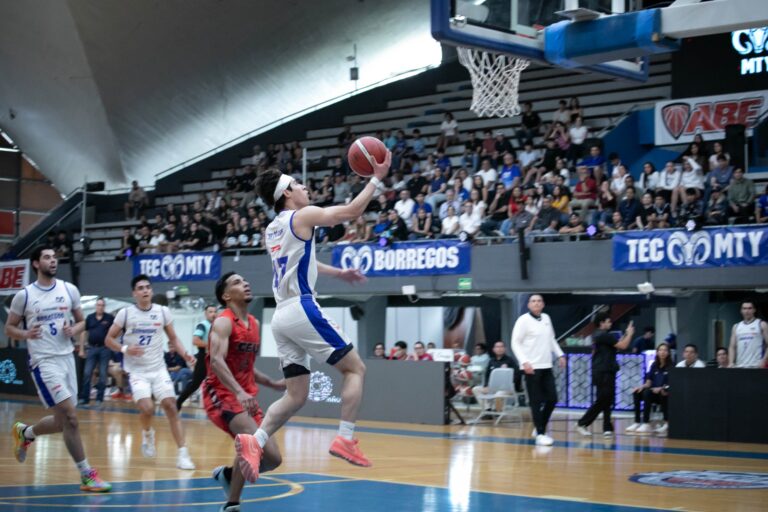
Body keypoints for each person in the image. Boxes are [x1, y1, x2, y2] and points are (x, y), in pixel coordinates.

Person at [238, 153, 391, 484]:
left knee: (296, 395)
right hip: (302, 307)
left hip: (280, 317)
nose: (304, 186)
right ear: (288, 194)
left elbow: (303, 261)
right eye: (297, 184)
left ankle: (256, 442)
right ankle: (346, 438)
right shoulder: (303, 215)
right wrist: (376, 178)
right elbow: (350, 213)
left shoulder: (272, 229)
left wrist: (339, 273)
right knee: (355, 368)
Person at [5, 246, 111, 492]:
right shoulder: (25, 296)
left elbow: (82, 320)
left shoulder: (69, 289)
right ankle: (87, 474)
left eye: (54, 257)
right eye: (47, 257)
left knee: (63, 421)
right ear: (35, 263)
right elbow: (9, 328)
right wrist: (25, 333)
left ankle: (26, 433)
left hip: (66, 359)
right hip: (43, 361)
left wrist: (74, 329)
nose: (52, 261)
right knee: (71, 418)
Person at [205, 272, 286, 512]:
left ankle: (229, 474)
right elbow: (217, 362)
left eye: (245, 280)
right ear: (226, 295)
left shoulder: (254, 324)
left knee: (273, 459)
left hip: (244, 396)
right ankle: (232, 504)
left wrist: (271, 382)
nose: (246, 283)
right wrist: (240, 392)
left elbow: (246, 366)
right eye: (238, 282)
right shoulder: (223, 321)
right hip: (221, 394)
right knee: (251, 444)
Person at [104, 274, 197, 470]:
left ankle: (183, 454)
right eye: (140, 288)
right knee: (147, 409)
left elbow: (174, 338)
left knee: (171, 406)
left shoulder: (162, 312)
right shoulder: (125, 314)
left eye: (148, 287)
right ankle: (147, 434)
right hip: (137, 371)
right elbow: (109, 339)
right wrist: (124, 349)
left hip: (158, 369)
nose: (145, 290)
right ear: (134, 293)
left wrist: (187, 355)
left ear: (151, 291)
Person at [511, 294, 565, 446]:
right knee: (536, 401)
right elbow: (515, 343)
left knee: (552, 399)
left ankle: (539, 426)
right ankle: (540, 433)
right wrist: (524, 362)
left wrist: (560, 354)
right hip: (531, 367)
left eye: (539, 301)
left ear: (543, 304)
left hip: (546, 365)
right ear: (528, 305)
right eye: (533, 301)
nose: (536, 303)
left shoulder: (546, 318)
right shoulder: (523, 320)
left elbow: (551, 339)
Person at [576, 315, 634, 437]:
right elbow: (623, 346)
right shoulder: (603, 335)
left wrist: (625, 335)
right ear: (602, 323)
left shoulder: (600, 335)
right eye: (608, 321)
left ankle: (607, 427)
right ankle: (582, 423)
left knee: (607, 399)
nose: (610, 323)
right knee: (603, 399)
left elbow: (617, 345)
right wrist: (630, 334)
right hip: (603, 371)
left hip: (605, 370)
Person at [177, 304, 218, 410]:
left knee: (219, 383)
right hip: (203, 358)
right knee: (195, 384)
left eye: (215, 312)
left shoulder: (217, 326)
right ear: (205, 314)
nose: (213, 314)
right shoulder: (202, 325)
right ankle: (178, 402)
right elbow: (195, 341)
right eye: (210, 312)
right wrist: (210, 345)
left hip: (215, 358)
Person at [626, 343, 671, 435]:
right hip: (652, 392)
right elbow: (648, 382)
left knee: (647, 393)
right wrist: (640, 387)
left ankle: (647, 423)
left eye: (665, 350)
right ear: (657, 352)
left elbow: (671, 384)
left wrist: (661, 388)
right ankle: (637, 422)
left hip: (664, 393)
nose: (662, 352)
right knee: (637, 392)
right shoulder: (654, 365)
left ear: (668, 353)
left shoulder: (671, 366)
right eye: (660, 350)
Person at [77, 297, 115, 406]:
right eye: (98, 305)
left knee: (103, 374)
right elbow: (84, 333)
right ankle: (84, 398)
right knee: (87, 373)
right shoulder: (90, 317)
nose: (100, 307)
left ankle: (99, 398)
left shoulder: (109, 318)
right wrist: (81, 349)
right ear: (95, 306)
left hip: (105, 349)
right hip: (92, 348)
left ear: (104, 307)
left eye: (102, 305)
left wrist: (112, 345)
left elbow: (115, 332)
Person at [729, 301, 768, 368]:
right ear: (741, 310)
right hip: (740, 366)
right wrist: (731, 362)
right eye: (744, 308)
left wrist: (764, 361)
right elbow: (732, 346)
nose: (747, 311)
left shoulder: (761, 324)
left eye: (749, 308)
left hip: (756, 366)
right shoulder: (736, 326)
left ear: (754, 310)